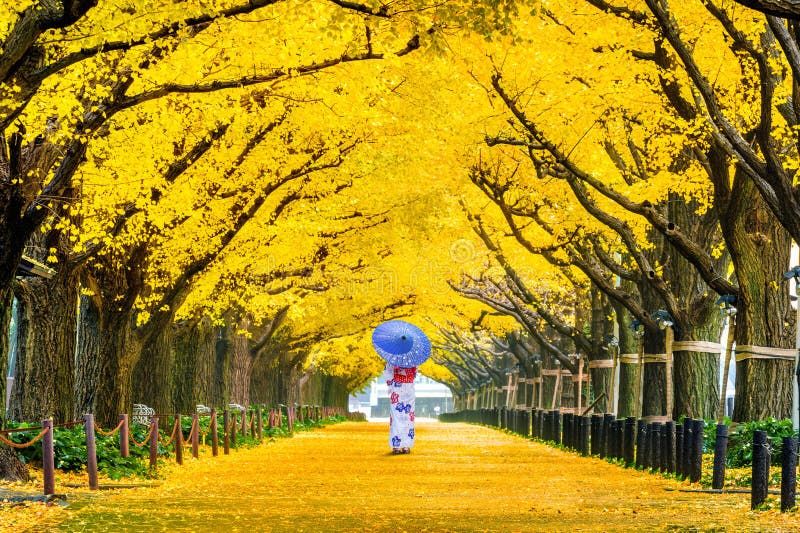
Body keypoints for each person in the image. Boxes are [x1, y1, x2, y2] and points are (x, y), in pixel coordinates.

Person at [381, 361, 416, 454]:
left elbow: (415, 374)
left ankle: (406, 445)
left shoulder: (412, 360)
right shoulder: (392, 360)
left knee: (408, 418)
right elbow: (387, 372)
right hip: (397, 388)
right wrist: (393, 381)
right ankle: (396, 445)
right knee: (396, 417)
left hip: (409, 390)